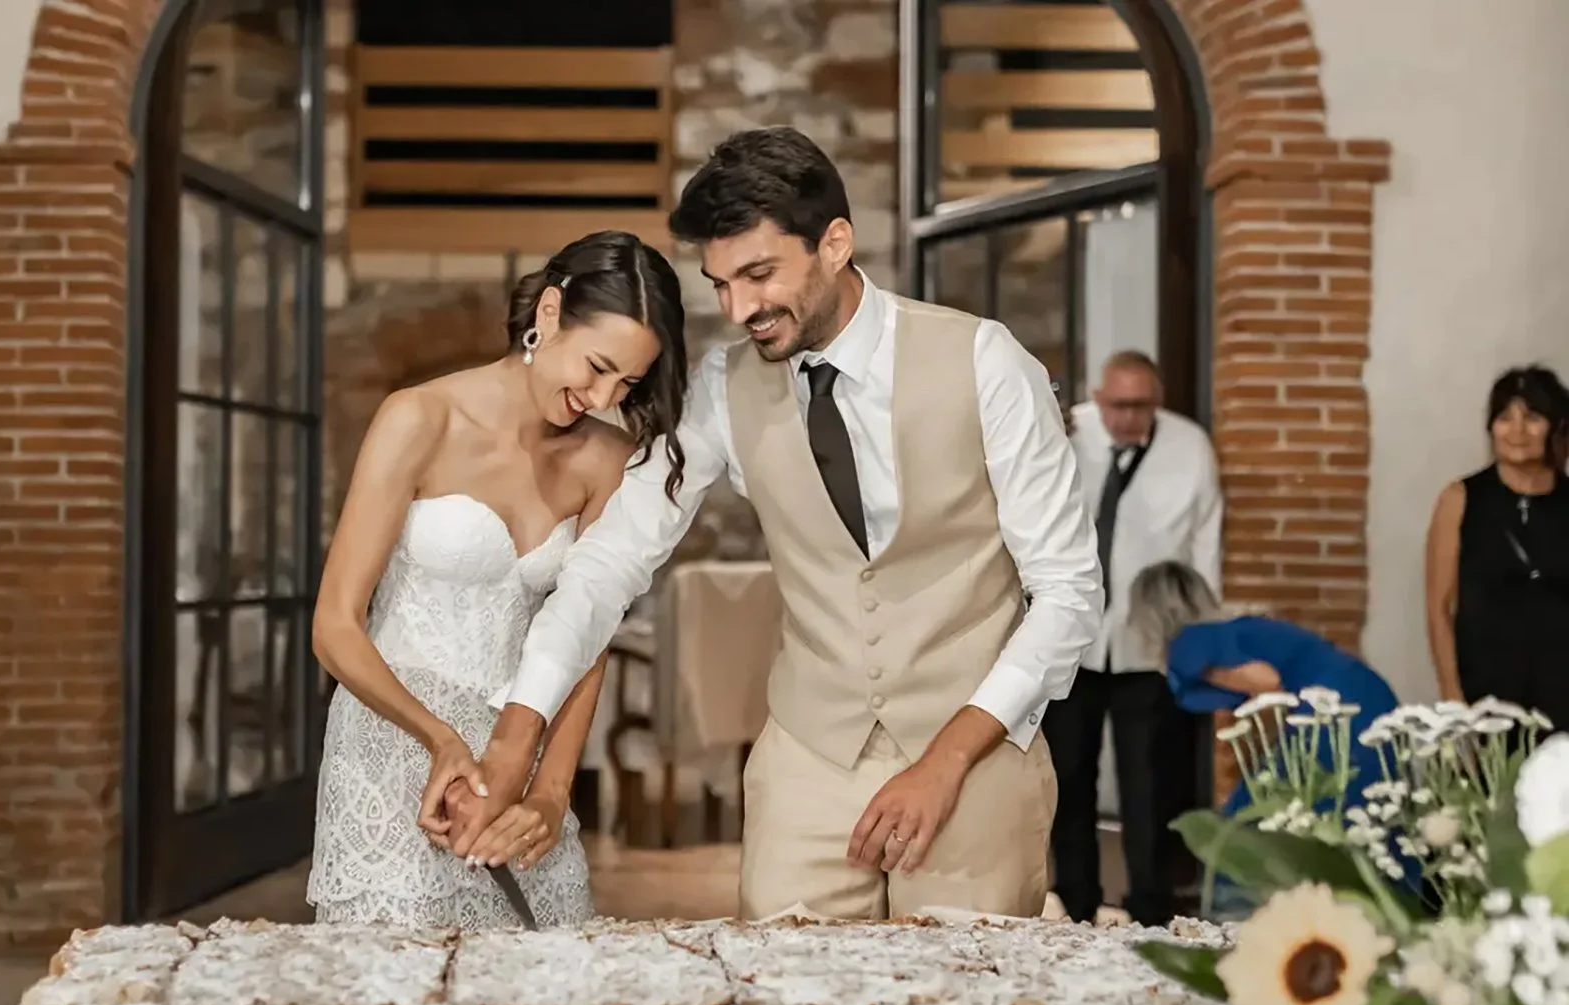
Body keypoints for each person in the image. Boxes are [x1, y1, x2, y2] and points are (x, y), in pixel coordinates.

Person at [447, 126, 1102, 922]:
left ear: (834, 243)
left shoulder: (985, 361)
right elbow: (608, 564)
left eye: (759, 274)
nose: (739, 308)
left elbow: (1068, 595)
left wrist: (949, 759)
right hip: (809, 755)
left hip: (981, 747)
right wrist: (521, 729)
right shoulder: (724, 387)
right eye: (720, 283)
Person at [305, 230, 689, 928]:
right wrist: (439, 738)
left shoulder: (606, 459)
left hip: (521, 747)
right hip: (396, 740)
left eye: (627, 383)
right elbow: (333, 626)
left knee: (539, 990)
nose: (602, 395)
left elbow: (587, 640)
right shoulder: (418, 418)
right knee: (397, 997)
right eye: (597, 365)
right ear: (547, 313)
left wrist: (551, 791)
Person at [1047, 350, 1221, 926]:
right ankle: (1075, 905)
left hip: (1149, 642)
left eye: (1141, 405)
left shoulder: (1190, 448)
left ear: (1158, 400)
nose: (1128, 417)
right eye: (1118, 405)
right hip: (1071, 641)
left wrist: (1195, 640)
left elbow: (1204, 547)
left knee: (1149, 783)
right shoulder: (1066, 431)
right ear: (1099, 398)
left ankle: (1151, 909)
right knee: (1070, 778)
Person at [1125, 560, 1420, 900]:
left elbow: (1267, 680)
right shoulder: (1230, 631)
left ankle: (1236, 916)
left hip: (1332, 708)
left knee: (1247, 822)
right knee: (1362, 806)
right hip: (1361, 693)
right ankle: (1387, 902)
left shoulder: (1190, 642)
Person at [1424, 365, 1569, 732]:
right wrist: (1452, 700)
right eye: (1504, 417)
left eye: (1532, 417)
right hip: (1484, 698)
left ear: (1556, 426)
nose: (1517, 430)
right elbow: (1439, 608)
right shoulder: (1460, 498)